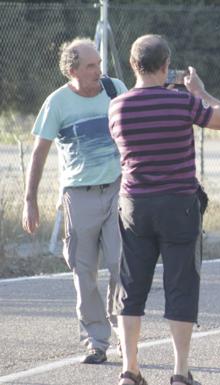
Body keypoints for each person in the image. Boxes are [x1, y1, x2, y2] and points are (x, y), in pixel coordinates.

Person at [109, 34, 220, 385]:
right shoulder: (181, 103)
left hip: (135, 204)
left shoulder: (117, 106)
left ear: (134, 65)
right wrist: (199, 92)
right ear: (166, 66)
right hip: (179, 202)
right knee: (181, 285)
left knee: (131, 286)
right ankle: (179, 372)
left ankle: (130, 370)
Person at [22, 38, 127, 365]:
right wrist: (30, 199)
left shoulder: (115, 89)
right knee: (84, 272)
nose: (100, 71)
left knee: (121, 264)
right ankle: (96, 342)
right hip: (77, 196)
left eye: (99, 63)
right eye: (92, 66)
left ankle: (125, 334)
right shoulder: (58, 103)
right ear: (73, 71)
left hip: (117, 190)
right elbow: (39, 153)